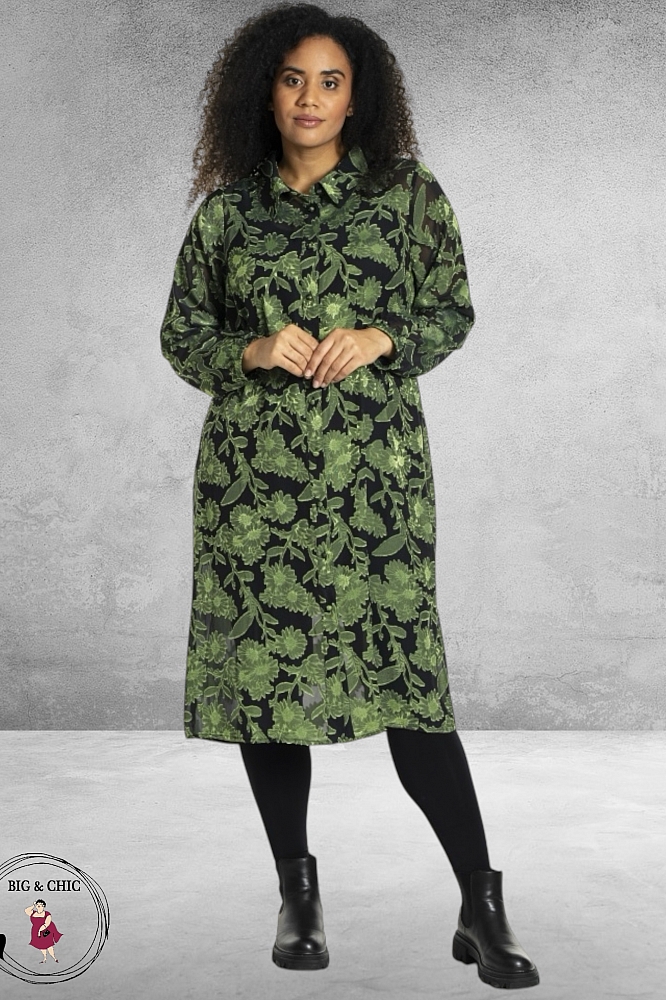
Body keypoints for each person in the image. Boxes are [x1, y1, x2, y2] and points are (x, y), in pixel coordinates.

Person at [160, 2, 539, 989]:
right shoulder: (228, 215)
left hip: (376, 485)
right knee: (268, 695)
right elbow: (182, 336)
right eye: (293, 79)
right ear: (265, 92)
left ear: (357, 97)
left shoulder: (407, 197)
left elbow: (451, 310)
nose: (310, 99)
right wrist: (251, 348)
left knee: (411, 688)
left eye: (330, 82)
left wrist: (382, 336)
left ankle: (481, 905)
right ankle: (297, 893)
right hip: (253, 491)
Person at [24, 899, 62, 963]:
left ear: (43, 906)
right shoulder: (33, 913)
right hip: (35, 931)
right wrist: (33, 905)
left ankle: (54, 958)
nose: (39, 906)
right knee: (41, 946)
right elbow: (26, 910)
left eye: (41, 904)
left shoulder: (47, 914)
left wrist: (40, 930)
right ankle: (45, 958)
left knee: (49, 945)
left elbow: (47, 923)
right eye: (37, 904)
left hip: (46, 931)